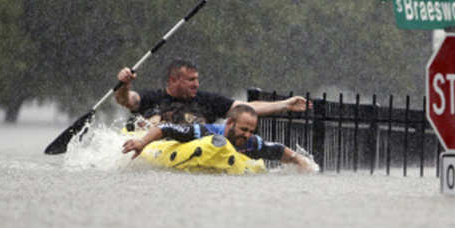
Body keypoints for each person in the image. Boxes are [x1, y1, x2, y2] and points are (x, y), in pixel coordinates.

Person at [122, 104, 317, 172]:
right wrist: (142, 143)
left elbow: (277, 150)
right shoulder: (203, 131)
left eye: (251, 130)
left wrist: (300, 161)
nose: (247, 135)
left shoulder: (251, 142)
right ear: (230, 124)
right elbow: (166, 128)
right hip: (176, 151)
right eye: (243, 129)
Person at [115, 59, 310, 125]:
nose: (196, 84)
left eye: (197, 79)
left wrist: (285, 104)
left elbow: (246, 108)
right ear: (173, 80)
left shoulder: (208, 100)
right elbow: (126, 100)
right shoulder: (152, 97)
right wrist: (124, 84)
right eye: (191, 80)